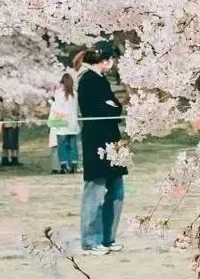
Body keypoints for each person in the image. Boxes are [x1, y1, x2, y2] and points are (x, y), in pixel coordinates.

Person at [78, 40, 125, 254]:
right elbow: (99, 110)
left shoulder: (102, 80)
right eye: (112, 58)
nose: (114, 62)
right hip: (96, 141)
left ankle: (108, 237)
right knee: (94, 192)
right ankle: (90, 240)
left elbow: (116, 106)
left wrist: (112, 107)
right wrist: (111, 107)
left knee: (116, 191)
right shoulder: (87, 80)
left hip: (112, 140)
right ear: (104, 59)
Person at [49, 70, 80, 174]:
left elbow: (56, 108)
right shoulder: (75, 94)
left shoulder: (58, 93)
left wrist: (51, 101)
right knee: (73, 145)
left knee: (62, 146)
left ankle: (64, 165)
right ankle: (74, 165)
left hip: (61, 123)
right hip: (72, 124)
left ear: (62, 83)